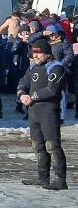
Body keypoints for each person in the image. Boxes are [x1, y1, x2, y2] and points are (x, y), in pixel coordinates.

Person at [18, 43, 67, 190]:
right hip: (34, 112)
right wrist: (22, 95)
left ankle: (60, 180)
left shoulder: (56, 67)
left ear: (47, 53)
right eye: (34, 53)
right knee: (37, 145)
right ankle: (43, 178)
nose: (35, 56)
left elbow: (52, 90)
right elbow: (23, 83)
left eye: (39, 53)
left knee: (52, 145)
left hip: (49, 111)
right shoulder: (33, 67)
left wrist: (32, 96)